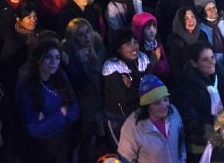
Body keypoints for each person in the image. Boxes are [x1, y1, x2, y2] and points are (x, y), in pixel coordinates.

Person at [14, 37, 79, 163]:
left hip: (64, 139)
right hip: (43, 147)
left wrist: (49, 120)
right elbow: (34, 129)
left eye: (57, 58)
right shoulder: (27, 86)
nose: (53, 62)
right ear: (38, 59)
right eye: (48, 57)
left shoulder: (60, 76)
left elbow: (75, 108)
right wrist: (62, 113)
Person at [173, 41, 224, 161]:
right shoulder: (186, 84)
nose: (211, 62)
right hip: (201, 140)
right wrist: (214, 127)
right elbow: (190, 119)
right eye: (205, 60)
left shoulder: (220, 72)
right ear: (194, 63)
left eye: (212, 57)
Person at [63, 18, 106, 163]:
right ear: (74, 38)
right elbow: (76, 80)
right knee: (82, 138)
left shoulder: (99, 45)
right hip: (82, 101)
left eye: (88, 31)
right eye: (81, 34)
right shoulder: (69, 54)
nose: (87, 36)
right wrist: (72, 63)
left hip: (99, 96)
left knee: (95, 136)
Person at [117, 74, 186, 163]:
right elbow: (125, 159)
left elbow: (181, 143)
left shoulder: (173, 113)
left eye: (165, 99)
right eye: (157, 103)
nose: (164, 106)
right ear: (147, 106)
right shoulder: (132, 127)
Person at [102, 27, 151, 146]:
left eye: (135, 42)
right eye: (128, 44)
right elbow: (124, 98)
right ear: (119, 48)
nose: (134, 47)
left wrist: (132, 86)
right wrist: (141, 89)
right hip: (119, 118)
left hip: (140, 115)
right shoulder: (112, 67)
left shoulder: (142, 59)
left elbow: (152, 88)